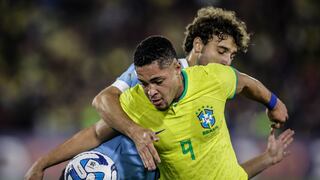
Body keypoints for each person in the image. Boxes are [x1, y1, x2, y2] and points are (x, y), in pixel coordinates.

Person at [25, 7, 291, 180]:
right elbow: (103, 103)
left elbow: (246, 83)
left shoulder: (214, 81)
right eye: (221, 51)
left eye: (231, 55)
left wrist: (273, 104)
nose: (226, 61)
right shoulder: (152, 73)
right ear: (198, 44)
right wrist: (134, 131)